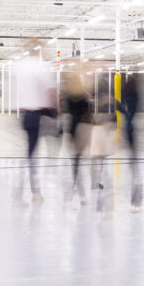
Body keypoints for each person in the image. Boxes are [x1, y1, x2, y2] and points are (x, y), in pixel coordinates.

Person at [13, 38, 57, 205]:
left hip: (24, 115)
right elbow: (51, 91)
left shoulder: (20, 66)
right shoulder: (40, 66)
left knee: (30, 154)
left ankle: (32, 193)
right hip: (36, 115)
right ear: (38, 49)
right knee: (31, 156)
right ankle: (30, 194)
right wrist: (55, 112)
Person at [62, 70, 91, 206]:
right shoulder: (83, 96)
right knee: (78, 161)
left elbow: (66, 110)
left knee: (75, 162)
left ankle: (77, 191)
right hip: (82, 130)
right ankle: (81, 194)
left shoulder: (68, 96)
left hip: (73, 130)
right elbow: (88, 114)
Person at [117, 73, 143, 211]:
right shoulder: (134, 98)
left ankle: (137, 200)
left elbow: (126, 113)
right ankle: (136, 200)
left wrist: (120, 105)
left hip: (130, 130)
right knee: (134, 166)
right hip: (130, 130)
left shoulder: (129, 100)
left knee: (134, 167)